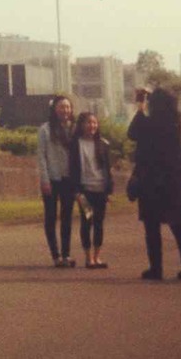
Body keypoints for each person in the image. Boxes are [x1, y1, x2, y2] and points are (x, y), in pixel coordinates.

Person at [129, 87, 181, 281]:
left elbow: (132, 132)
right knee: (179, 227)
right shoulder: (175, 124)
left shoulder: (149, 124)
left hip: (150, 182)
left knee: (151, 228)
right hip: (173, 181)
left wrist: (140, 104)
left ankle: (156, 269)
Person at [68, 112, 113, 269]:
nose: (92, 125)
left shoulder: (103, 143)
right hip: (84, 191)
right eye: (88, 122)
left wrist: (108, 191)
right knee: (87, 222)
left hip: (100, 190)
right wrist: (76, 191)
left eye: (94, 122)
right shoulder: (75, 144)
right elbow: (72, 168)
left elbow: (107, 169)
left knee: (99, 223)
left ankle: (97, 257)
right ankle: (88, 258)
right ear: (81, 125)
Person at [37, 94, 76, 267]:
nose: (65, 110)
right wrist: (45, 180)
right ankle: (56, 255)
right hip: (52, 178)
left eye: (67, 107)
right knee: (51, 217)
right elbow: (41, 157)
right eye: (61, 107)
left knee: (67, 217)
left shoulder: (75, 129)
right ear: (54, 109)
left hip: (69, 179)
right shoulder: (45, 130)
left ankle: (66, 254)